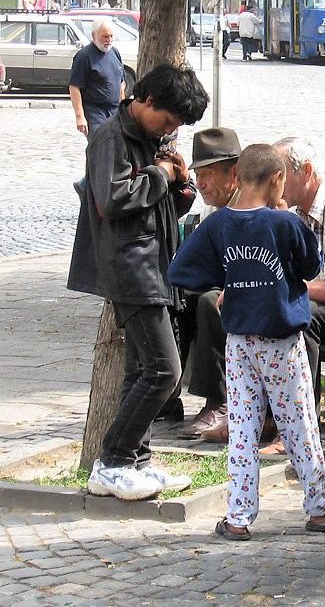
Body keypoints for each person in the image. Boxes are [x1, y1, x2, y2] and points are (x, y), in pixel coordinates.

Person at [166, 143, 325, 541]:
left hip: (238, 342)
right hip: (282, 343)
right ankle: (322, 506)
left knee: (242, 428)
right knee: (300, 424)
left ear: (237, 177)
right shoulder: (285, 224)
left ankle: (238, 517)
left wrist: (229, 281)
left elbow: (181, 270)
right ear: (277, 179)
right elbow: (310, 266)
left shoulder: (218, 224)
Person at [68, 63, 208, 501]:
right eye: (169, 120)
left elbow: (164, 209)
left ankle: (136, 460)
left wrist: (182, 184)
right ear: (145, 100)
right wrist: (161, 176)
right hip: (132, 270)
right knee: (166, 370)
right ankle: (112, 460)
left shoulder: (150, 139)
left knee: (141, 372)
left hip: (157, 266)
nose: (171, 130)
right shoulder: (110, 136)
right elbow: (111, 199)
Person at [174, 127, 243, 441]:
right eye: (197, 174)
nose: (200, 183)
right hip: (227, 289)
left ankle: (219, 400)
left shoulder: (252, 205)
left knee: (208, 301)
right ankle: (166, 392)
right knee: (177, 297)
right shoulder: (211, 211)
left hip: (256, 295)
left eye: (209, 174)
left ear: (234, 173)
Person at [273, 137, 325, 384]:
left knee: (300, 314)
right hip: (323, 305)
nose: (275, 182)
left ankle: (300, 415)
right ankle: (264, 410)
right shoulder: (296, 213)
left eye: (281, 174)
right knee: (262, 306)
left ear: (306, 171)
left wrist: (279, 289)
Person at [68, 18, 125, 136]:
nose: (109, 40)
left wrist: (123, 110)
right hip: (94, 112)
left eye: (111, 36)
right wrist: (80, 116)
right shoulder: (84, 56)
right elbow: (74, 87)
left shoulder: (115, 53)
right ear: (94, 36)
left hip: (114, 112)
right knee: (100, 147)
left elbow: (121, 83)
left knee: (117, 148)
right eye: (105, 36)